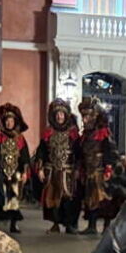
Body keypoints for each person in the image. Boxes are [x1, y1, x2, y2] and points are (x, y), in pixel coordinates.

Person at [0, 103, 30, 233]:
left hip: (15, 172)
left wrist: (25, 172)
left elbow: (24, 157)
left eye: (12, 121)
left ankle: (13, 224)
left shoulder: (19, 138)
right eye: (7, 121)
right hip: (0, 170)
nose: (9, 124)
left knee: (14, 199)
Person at [35, 98, 80, 233]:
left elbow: (78, 152)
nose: (59, 116)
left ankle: (68, 224)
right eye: (57, 114)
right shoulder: (49, 132)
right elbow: (41, 151)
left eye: (62, 114)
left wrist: (78, 168)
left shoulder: (73, 132)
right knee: (52, 197)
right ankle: (55, 223)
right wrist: (40, 169)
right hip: (52, 169)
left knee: (67, 197)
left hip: (67, 170)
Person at [75, 97, 117, 235]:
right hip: (88, 171)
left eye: (87, 116)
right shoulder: (85, 135)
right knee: (90, 199)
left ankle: (106, 226)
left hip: (100, 170)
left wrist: (108, 168)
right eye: (83, 116)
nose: (85, 119)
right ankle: (91, 226)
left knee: (104, 199)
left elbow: (110, 151)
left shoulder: (103, 132)